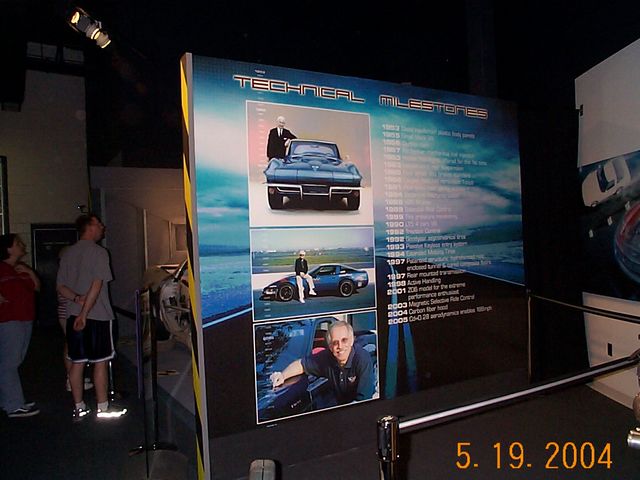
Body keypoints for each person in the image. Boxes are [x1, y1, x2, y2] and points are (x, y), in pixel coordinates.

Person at [57, 213, 127, 421]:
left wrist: (77, 300)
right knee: (100, 361)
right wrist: (85, 313)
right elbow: (97, 283)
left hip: (73, 315)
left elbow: (60, 286)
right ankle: (102, 407)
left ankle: (79, 407)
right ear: (89, 227)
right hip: (98, 316)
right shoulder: (99, 252)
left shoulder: (68, 253)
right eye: (98, 223)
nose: (102, 226)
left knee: (77, 362)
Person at [270, 321, 375, 405]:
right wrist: (282, 375)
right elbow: (301, 364)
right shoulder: (326, 357)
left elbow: (364, 402)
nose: (340, 346)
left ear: (351, 341)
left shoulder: (362, 359)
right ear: (330, 346)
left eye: (344, 340)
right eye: (335, 342)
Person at [0, 234, 41, 417]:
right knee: (9, 362)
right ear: (8, 249)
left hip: (25, 318)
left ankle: (9, 400)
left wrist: (29, 272)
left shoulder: (19, 268)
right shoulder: (2, 268)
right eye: (17, 244)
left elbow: (36, 287)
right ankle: (13, 404)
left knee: (15, 360)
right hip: (10, 320)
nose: (22, 245)